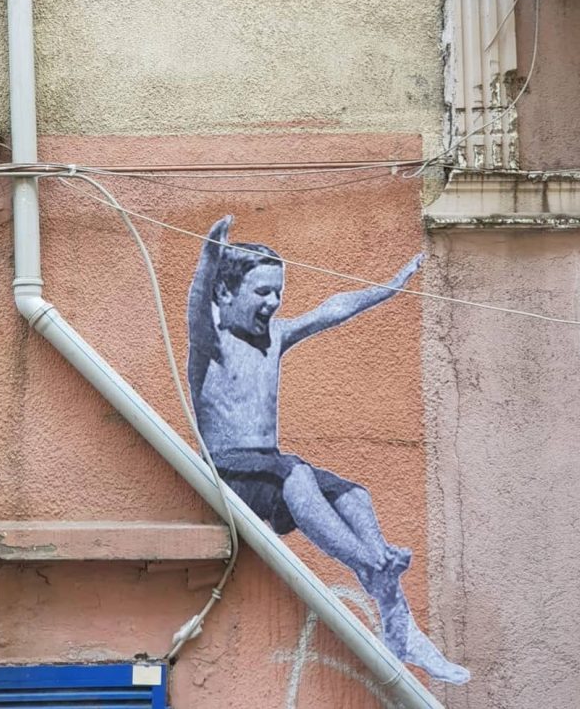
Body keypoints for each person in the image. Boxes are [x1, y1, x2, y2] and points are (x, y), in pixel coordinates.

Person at [187, 216, 469, 685]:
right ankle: (373, 563)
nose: (273, 303)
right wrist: (209, 253)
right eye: (262, 292)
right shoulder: (210, 343)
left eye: (278, 292)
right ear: (226, 294)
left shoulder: (275, 337)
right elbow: (197, 302)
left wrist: (388, 288)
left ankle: (399, 626)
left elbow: (332, 309)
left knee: (355, 497)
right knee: (296, 473)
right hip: (227, 473)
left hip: (270, 470)